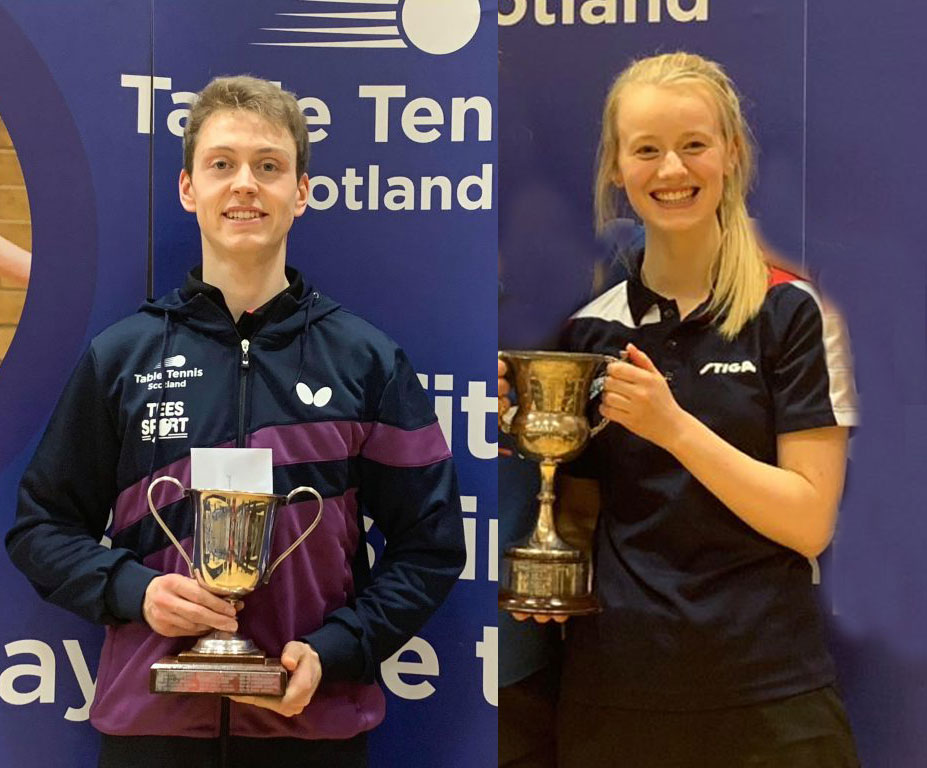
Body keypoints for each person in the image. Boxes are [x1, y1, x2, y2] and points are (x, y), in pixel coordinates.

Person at [6, 75, 465, 768]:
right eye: (222, 164)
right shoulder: (122, 357)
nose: (245, 183)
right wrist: (136, 591)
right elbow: (41, 527)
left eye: (269, 166)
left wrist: (333, 651)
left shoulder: (367, 361)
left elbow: (429, 548)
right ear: (189, 188)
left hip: (313, 725)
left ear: (302, 192)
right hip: (151, 730)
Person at [499, 52, 860, 767]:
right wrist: (549, 567)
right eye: (646, 150)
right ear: (615, 168)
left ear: (730, 153)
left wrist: (674, 428)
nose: (671, 170)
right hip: (617, 694)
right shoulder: (588, 334)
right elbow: (580, 512)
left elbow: (808, 520)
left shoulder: (789, 312)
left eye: (693, 145)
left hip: (768, 692)